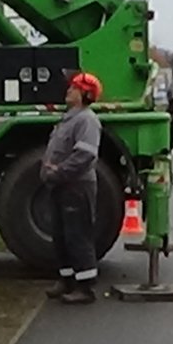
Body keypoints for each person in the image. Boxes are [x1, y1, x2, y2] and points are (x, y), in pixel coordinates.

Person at [41, 71, 104, 304]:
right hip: (62, 185)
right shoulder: (70, 118)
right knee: (61, 235)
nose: (68, 91)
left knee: (78, 235)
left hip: (76, 186)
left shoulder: (86, 120)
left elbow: (85, 155)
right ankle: (66, 279)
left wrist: (59, 171)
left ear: (85, 94)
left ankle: (85, 287)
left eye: (74, 88)